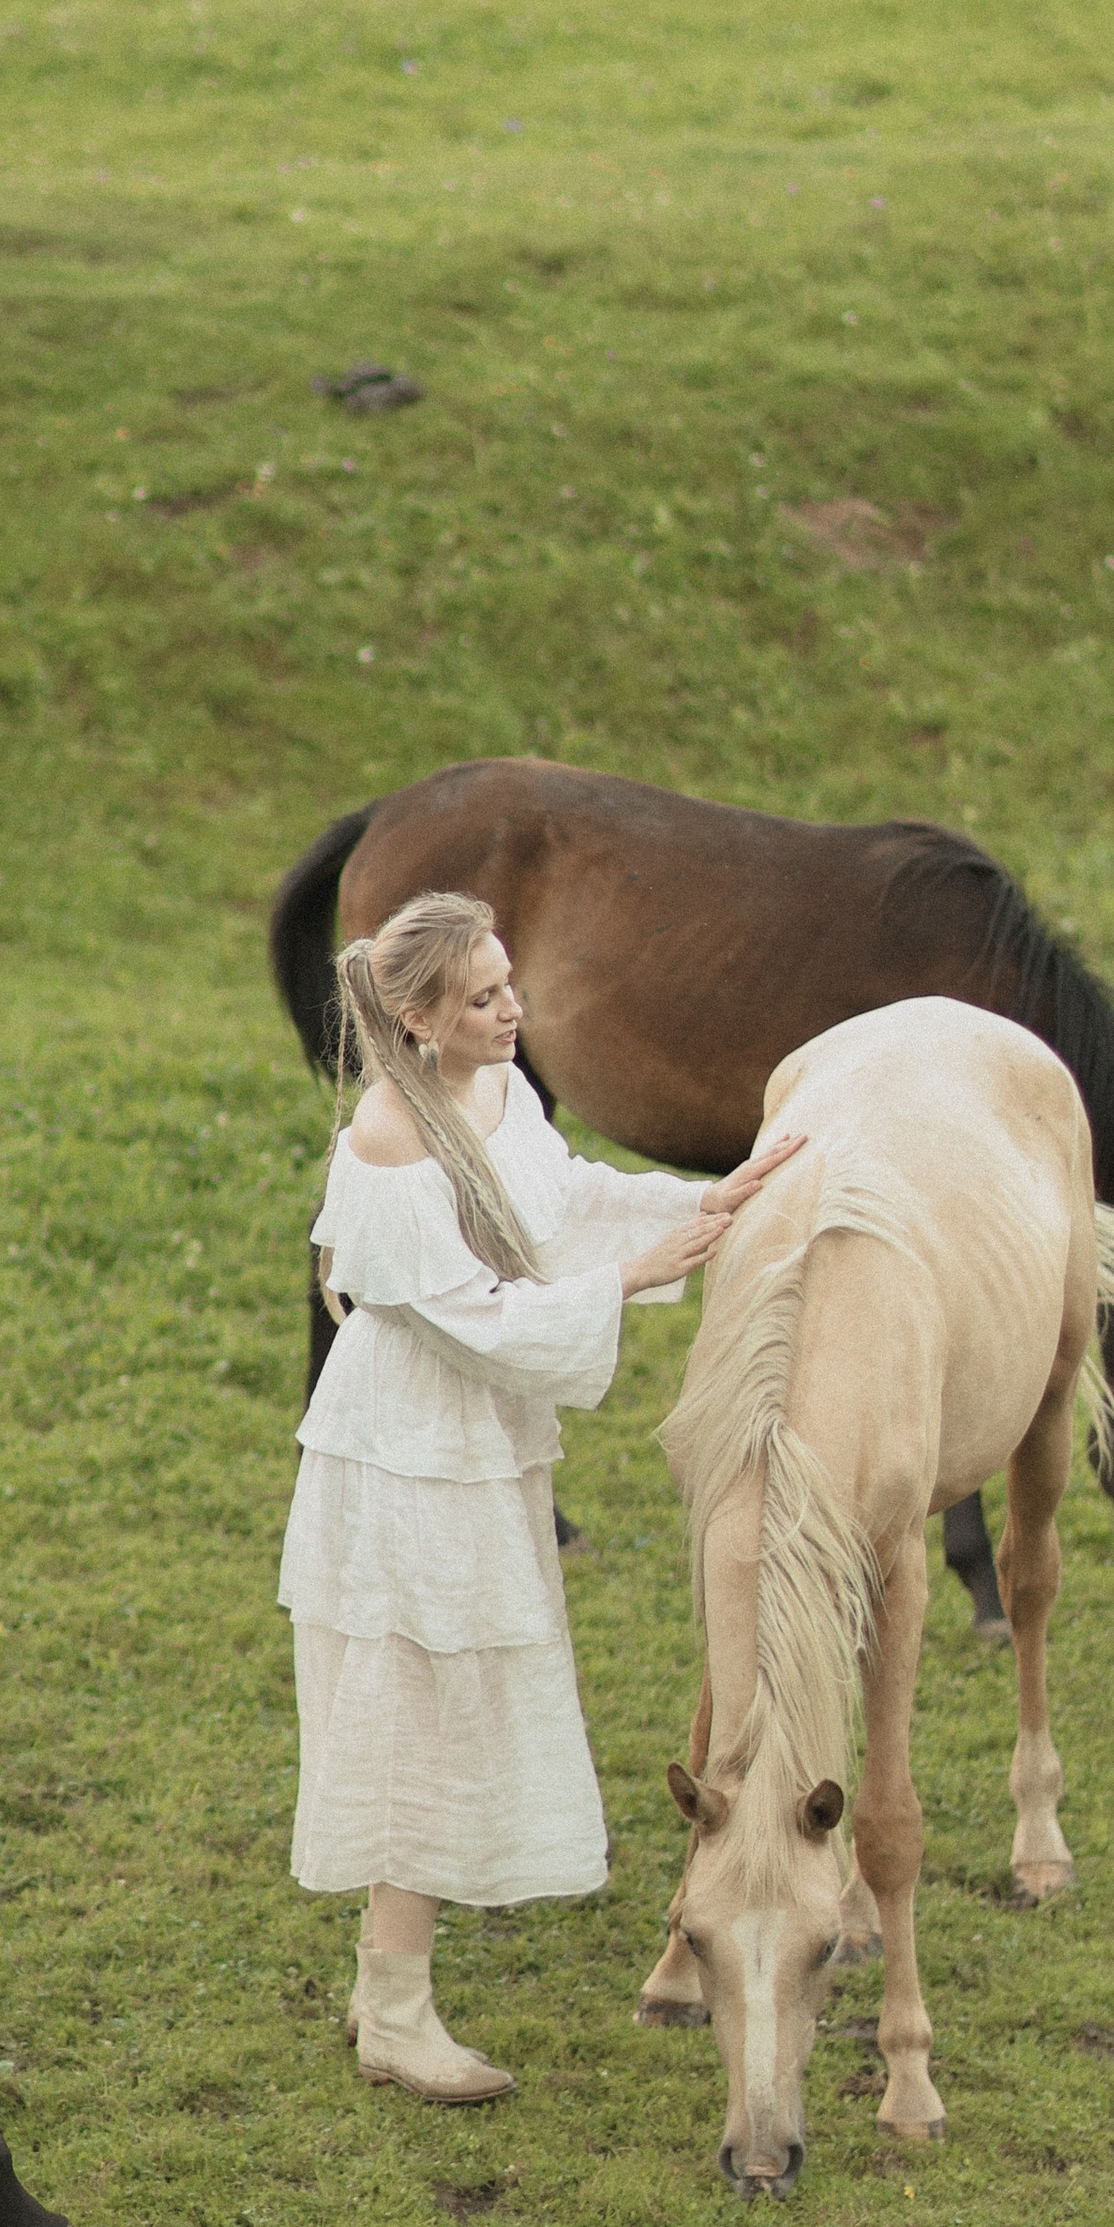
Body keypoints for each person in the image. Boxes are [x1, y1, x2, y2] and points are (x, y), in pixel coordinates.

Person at [279, 888, 804, 2102]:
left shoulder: (496, 1090)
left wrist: (705, 1201)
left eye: (508, 983)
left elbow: (561, 1201)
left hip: (474, 1438)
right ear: (419, 1020)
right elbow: (464, 1318)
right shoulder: (388, 1141)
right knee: (422, 1701)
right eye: (482, 998)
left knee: (447, 1694)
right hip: (409, 1448)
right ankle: (395, 2012)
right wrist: (624, 1282)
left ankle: (382, 1985)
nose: (513, 1009)